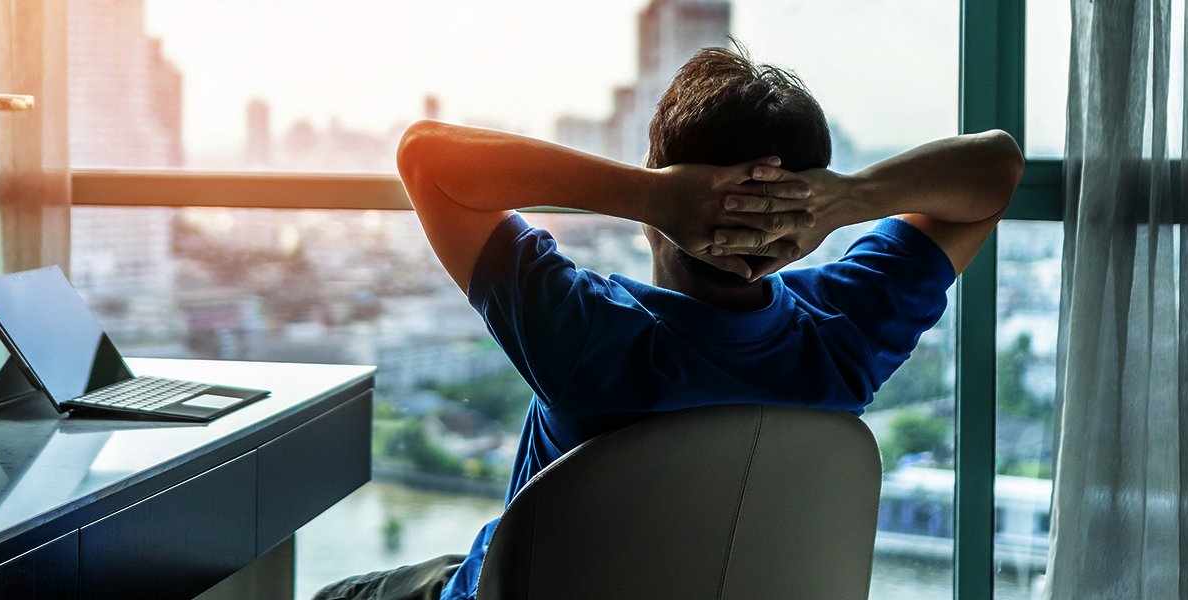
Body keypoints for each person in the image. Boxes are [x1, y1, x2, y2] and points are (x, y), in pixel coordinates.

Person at [312, 46, 1023, 600]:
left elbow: (425, 158)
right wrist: (845, 200)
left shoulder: (587, 335)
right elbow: (997, 166)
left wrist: (649, 195)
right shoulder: (844, 334)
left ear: (662, 180)